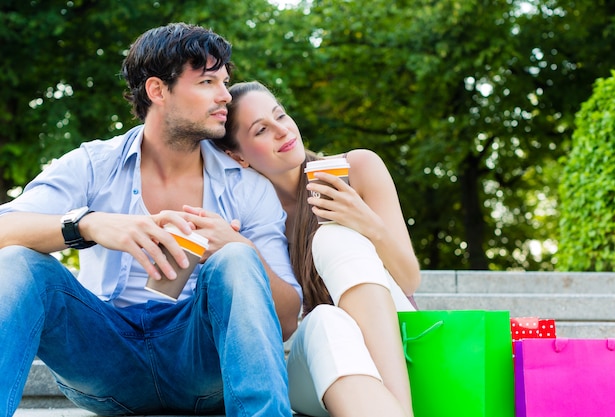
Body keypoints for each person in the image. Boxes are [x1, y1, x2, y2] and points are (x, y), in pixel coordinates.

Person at [0, 24, 301, 417]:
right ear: (158, 90)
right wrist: (89, 224)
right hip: (104, 360)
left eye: (224, 82)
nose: (225, 95)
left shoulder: (247, 187)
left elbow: (288, 318)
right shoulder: (93, 163)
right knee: (16, 262)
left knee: (238, 259)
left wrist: (237, 249)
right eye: (208, 81)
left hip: (201, 362)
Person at [215, 81, 421, 417]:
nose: (282, 131)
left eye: (280, 115)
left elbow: (410, 281)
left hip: (399, 347)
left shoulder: (359, 168)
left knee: (333, 236)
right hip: (324, 364)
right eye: (262, 130)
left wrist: (365, 222)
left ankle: (400, 406)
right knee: (325, 318)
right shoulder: (247, 215)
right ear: (237, 155)